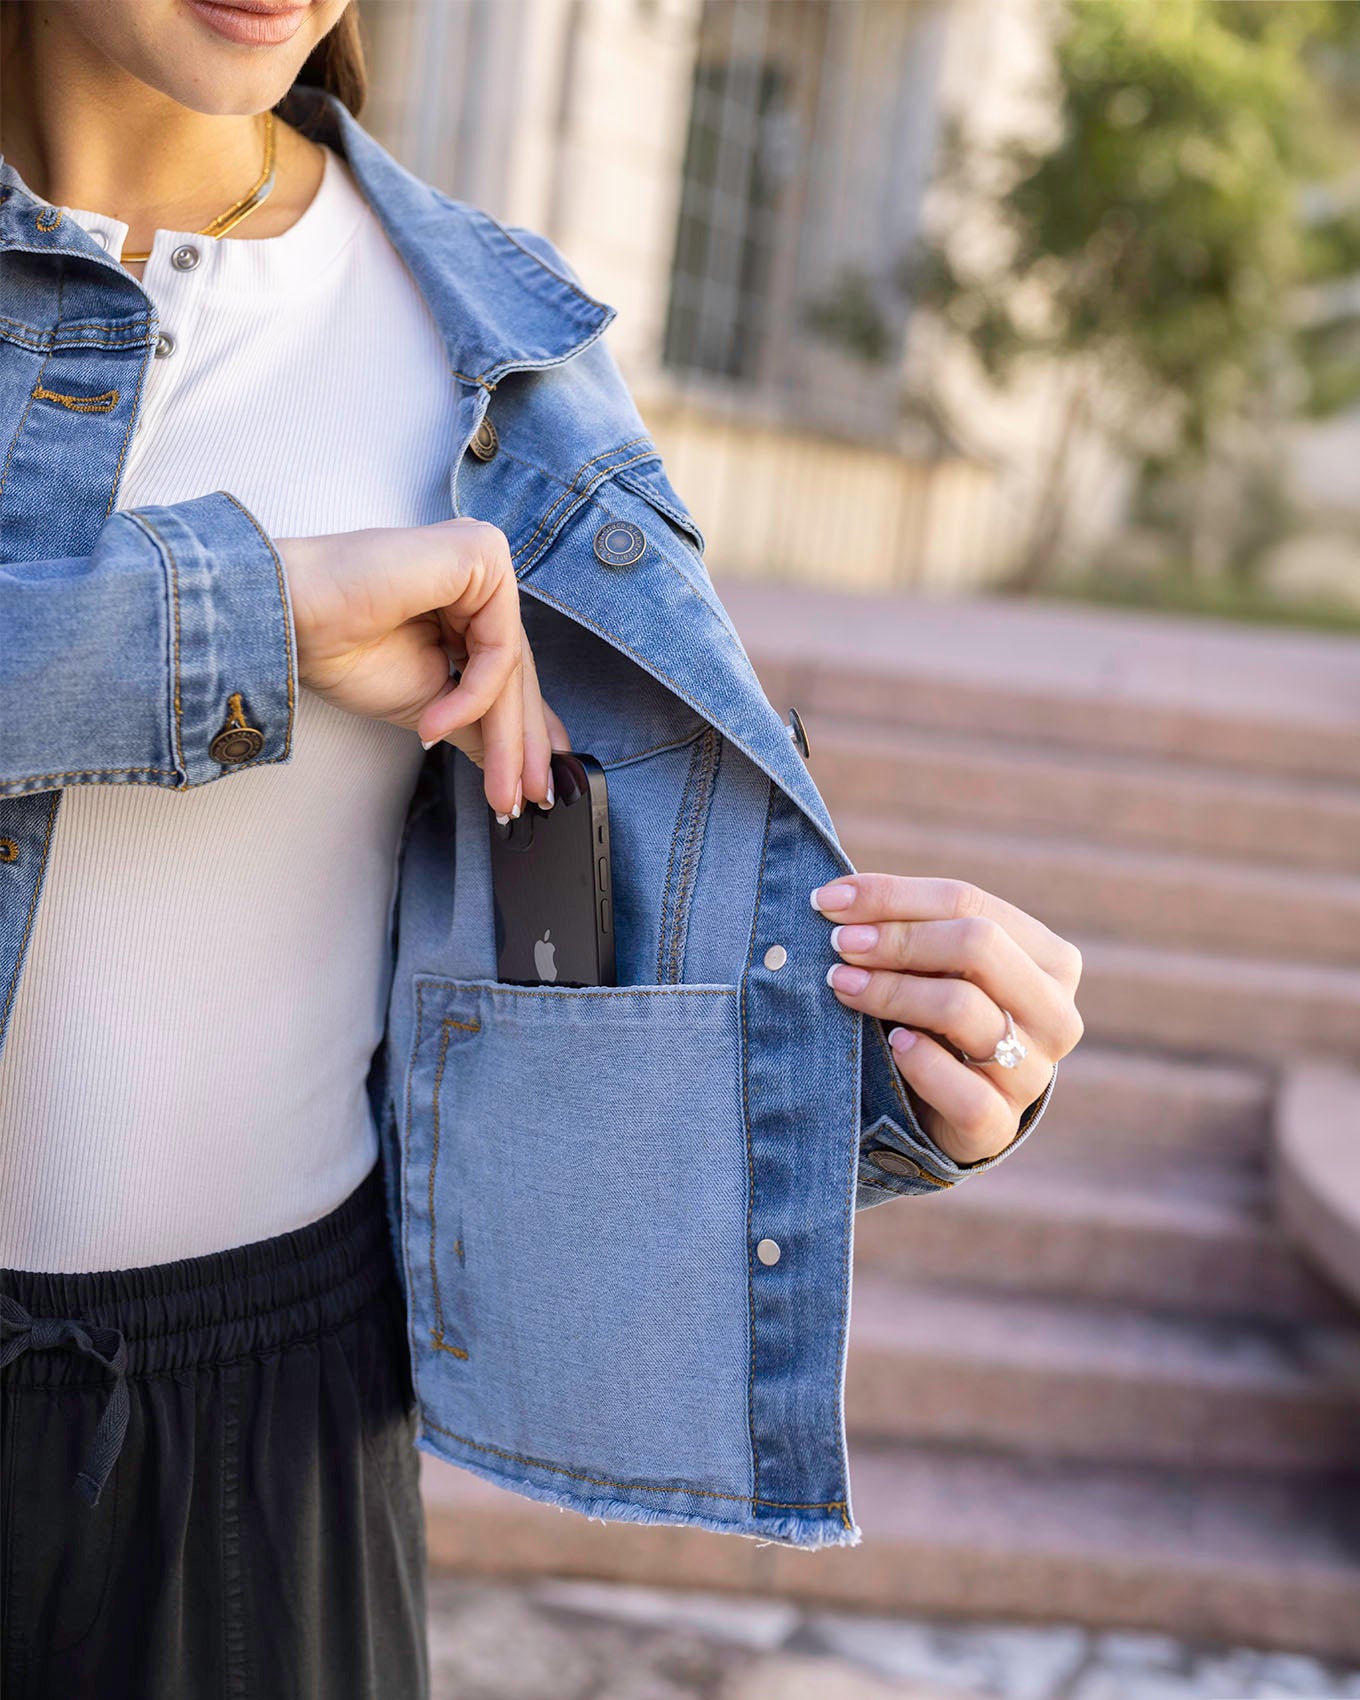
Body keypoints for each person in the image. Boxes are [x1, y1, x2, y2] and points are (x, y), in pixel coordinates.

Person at [0, 3, 1085, 1697]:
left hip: (268, 1456)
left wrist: (914, 1062)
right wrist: (253, 617)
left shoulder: (493, 349)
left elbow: (597, 954)